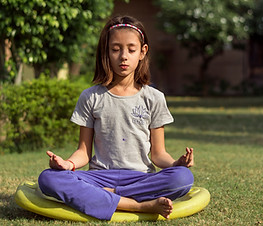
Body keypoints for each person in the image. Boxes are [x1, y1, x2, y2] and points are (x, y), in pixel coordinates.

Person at [38, 15, 194, 221]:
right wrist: (68, 165)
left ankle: (105, 196)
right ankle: (139, 205)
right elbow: (83, 152)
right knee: (49, 178)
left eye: (131, 49)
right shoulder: (90, 97)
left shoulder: (154, 98)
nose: (123, 56)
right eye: (115, 49)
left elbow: (158, 154)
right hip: (99, 176)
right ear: (106, 52)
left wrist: (176, 163)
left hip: (140, 177)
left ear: (142, 52)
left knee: (183, 178)